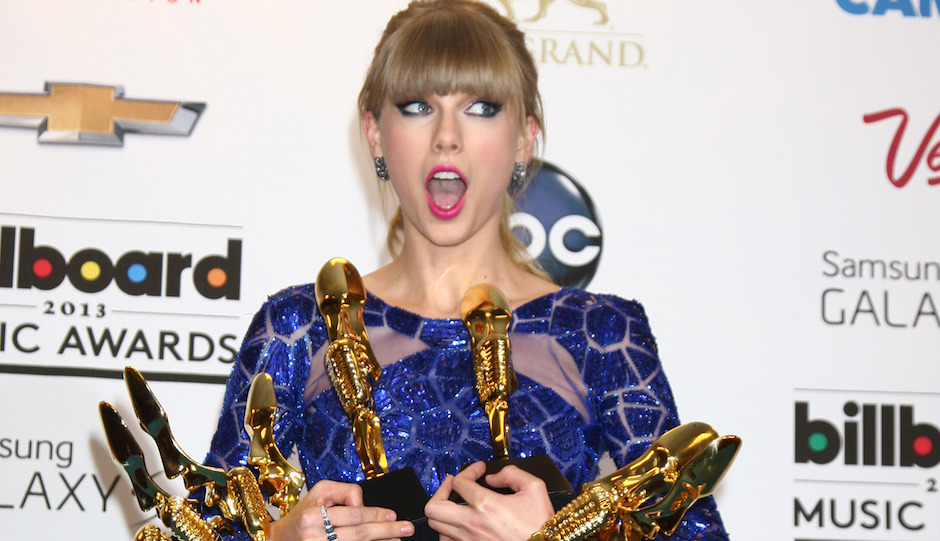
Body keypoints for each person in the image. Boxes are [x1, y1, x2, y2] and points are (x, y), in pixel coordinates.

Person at [202, 1, 729, 540]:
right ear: (375, 135)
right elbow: (204, 526)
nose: (447, 136)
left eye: (480, 107)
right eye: (416, 106)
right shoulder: (299, 324)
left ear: (524, 138)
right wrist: (277, 539)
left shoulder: (600, 334)